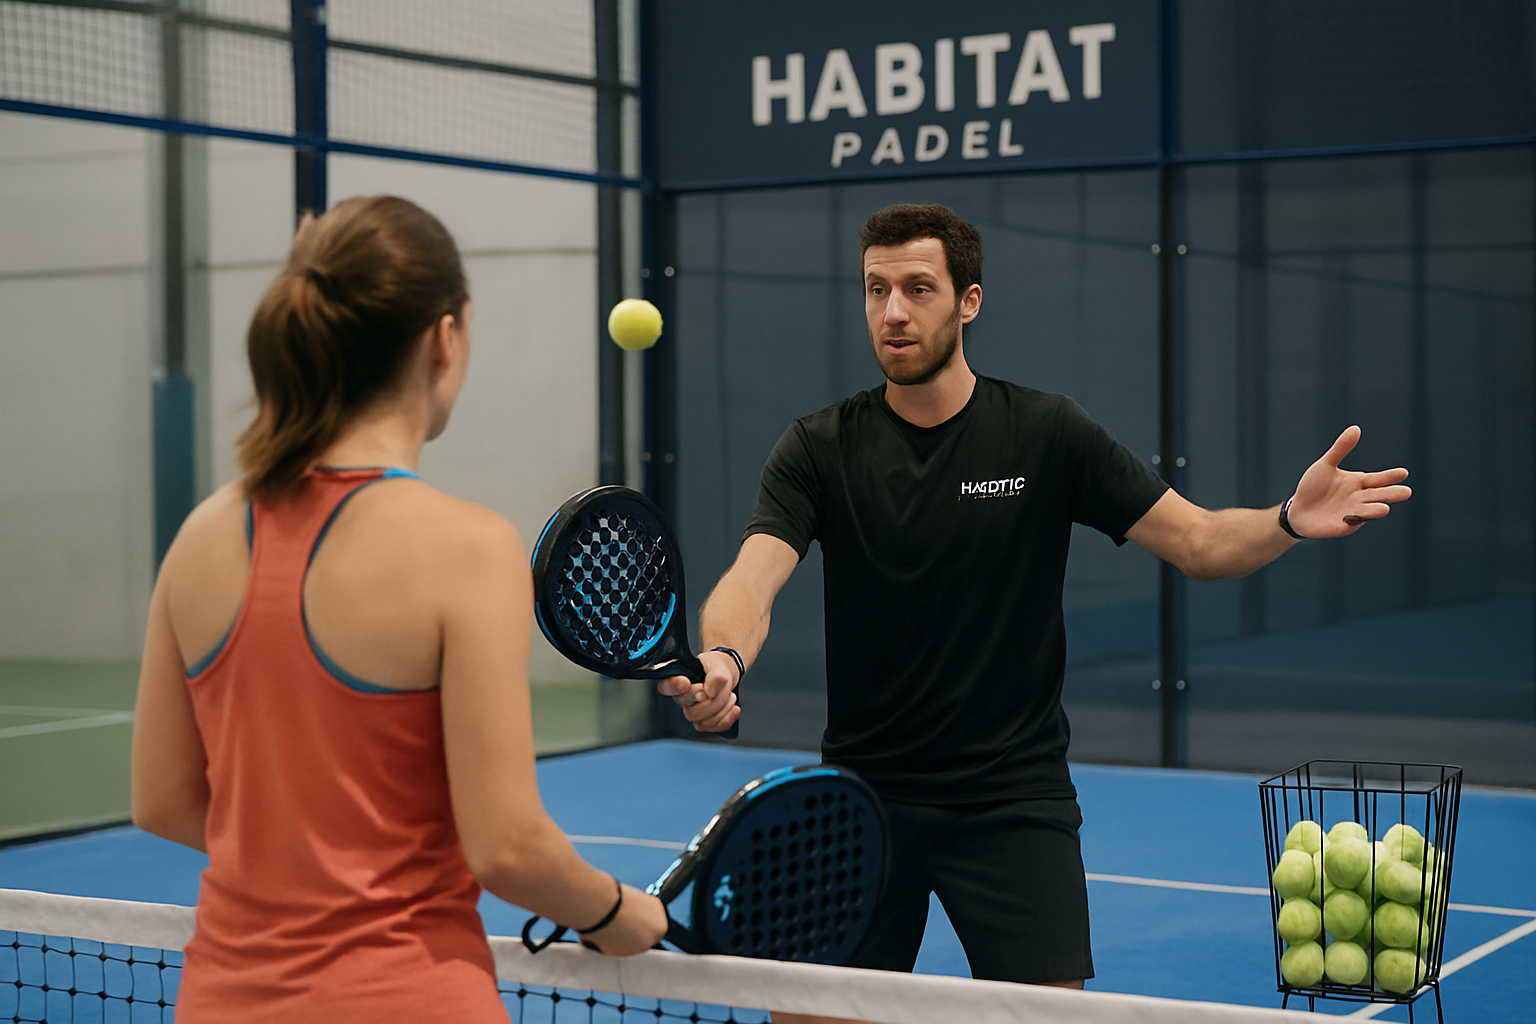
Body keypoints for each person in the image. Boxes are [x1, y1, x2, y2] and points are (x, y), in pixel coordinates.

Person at [658, 203, 1410, 1019]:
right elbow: (752, 577)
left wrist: (1287, 519)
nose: (894, 312)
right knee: (807, 1015)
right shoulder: (818, 447)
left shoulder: (1047, 433)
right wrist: (725, 657)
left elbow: (1197, 542)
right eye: (876, 290)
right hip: (862, 795)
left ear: (968, 302)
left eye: (917, 288)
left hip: (1011, 798)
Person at [131, 195, 668, 1023]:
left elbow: (163, 800)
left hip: (222, 1003)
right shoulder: (471, 547)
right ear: (442, 340)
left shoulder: (200, 535)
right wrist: (615, 913)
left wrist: (307, 861)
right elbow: (508, 846)